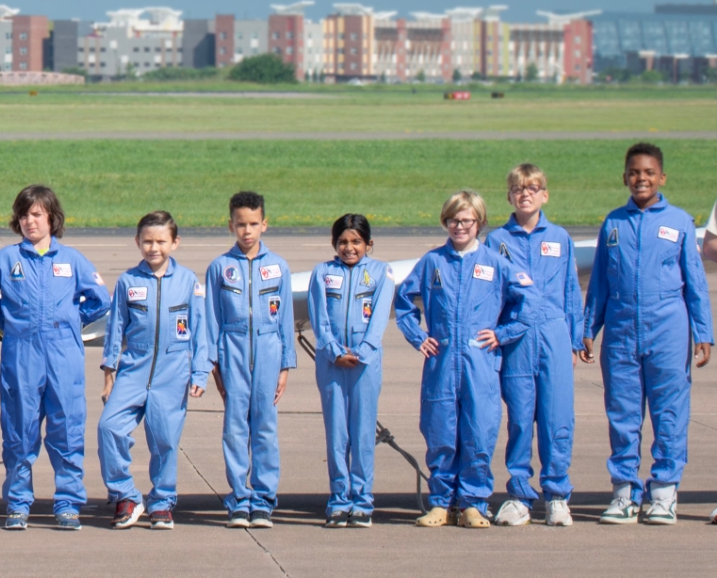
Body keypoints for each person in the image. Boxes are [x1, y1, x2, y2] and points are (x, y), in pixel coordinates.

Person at [581, 143, 712, 525]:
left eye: (649, 172)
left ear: (662, 177)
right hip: (621, 332)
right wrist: (589, 327)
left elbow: (696, 283)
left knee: (669, 413)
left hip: (668, 331)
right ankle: (624, 492)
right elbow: (600, 282)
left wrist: (704, 332)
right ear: (625, 177)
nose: (642, 179)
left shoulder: (680, 222)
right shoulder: (613, 223)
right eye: (635, 172)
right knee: (622, 413)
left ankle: (664, 493)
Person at [395, 190, 535, 529]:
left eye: (467, 221)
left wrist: (502, 334)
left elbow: (527, 302)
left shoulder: (495, 263)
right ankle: (441, 503)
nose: (460, 227)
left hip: (480, 364)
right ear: (445, 222)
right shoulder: (432, 262)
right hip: (442, 363)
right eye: (453, 220)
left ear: (480, 223)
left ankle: (473, 502)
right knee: (440, 431)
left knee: (479, 432)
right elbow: (404, 301)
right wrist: (418, 336)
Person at [0, 185, 109, 531]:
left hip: (63, 353)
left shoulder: (71, 260)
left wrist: (71, 320)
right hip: (21, 353)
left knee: (67, 428)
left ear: (52, 217)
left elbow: (100, 298)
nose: (30, 221)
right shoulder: (6, 259)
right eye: (24, 215)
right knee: (19, 430)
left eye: (37, 214)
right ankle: (18, 503)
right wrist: (7, 320)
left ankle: (68, 502)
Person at [96, 211, 211, 531]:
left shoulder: (188, 281)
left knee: (164, 440)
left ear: (175, 242)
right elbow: (115, 329)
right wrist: (109, 372)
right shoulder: (128, 281)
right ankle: (125, 495)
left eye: (161, 241)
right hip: (134, 368)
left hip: (173, 372)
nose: (154, 248)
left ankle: (162, 502)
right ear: (137, 242)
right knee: (109, 428)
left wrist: (200, 372)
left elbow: (201, 332)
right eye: (147, 241)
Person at [484, 164, 582, 527]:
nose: (525, 194)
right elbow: (490, 294)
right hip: (516, 339)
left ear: (545, 195)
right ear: (509, 196)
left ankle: (557, 495)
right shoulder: (496, 241)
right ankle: (519, 495)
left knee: (557, 419)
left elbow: (571, 290)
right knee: (521, 419)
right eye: (518, 189)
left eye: (532, 188)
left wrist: (575, 339)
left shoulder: (560, 238)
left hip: (554, 334)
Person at [204, 191, 295, 529]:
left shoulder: (278, 267)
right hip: (233, 349)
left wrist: (285, 365)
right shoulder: (219, 267)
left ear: (264, 224)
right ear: (230, 225)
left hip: (269, 350)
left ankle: (264, 500)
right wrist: (213, 364)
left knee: (265, 427)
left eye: (253, 224)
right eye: (241, 224)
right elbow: (211, 319)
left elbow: (286, 319)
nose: (247, 231)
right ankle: (239, 499)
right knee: (235, 428)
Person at [307, 213, 393, 529]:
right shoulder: (322, 273)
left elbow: (379, 317)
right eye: (342, 242)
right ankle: (339, 500)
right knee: (337, 435)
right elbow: (319, 318)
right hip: (332, 364)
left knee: (362, 434)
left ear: (368, 243)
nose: (349, 247)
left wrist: (362, 352)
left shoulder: (382, 272)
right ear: (334, 244)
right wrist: (333, 352)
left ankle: (362, 501)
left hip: (364, 364)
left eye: (356, 241)